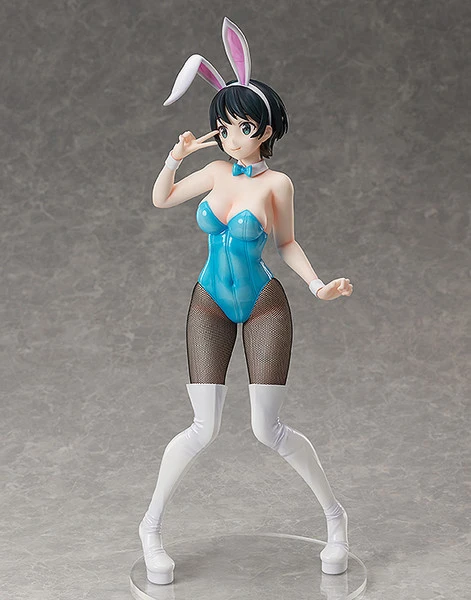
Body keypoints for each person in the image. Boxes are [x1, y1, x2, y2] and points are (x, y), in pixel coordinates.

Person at [138, 17, 353, 585]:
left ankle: (335, 518)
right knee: (201, 427)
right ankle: (150, 527)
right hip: (209, 302)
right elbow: (161, 199)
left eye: (244, 126)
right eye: (225, 127)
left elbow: (287, 243)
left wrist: (317, 285)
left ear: (266, 130)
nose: (233, 136)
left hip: (263, 304)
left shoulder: (277, 185)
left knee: (267, 429)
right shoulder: (213, 172)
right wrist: (176, 156)